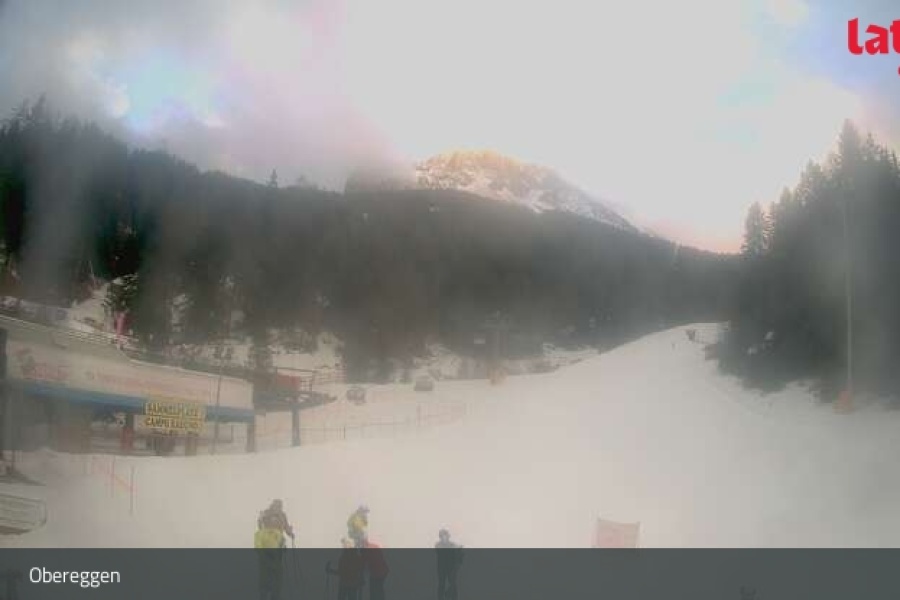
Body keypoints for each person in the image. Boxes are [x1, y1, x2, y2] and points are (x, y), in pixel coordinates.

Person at [255, 512, 287, 600]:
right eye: (270, 521)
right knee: (264, 587)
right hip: (266, 564)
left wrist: (283, 546)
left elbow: (282, 545)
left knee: (276, 588)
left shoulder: (277, 533)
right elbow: (258, 547)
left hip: (276, 564)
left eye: (274, 522)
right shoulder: (260, 534)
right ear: (266, 522)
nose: (273, 523)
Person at [435, 529, 463, 600]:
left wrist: (459, 561)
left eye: (445, 536)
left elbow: (460, 551)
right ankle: (441, 597)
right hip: (441, 568)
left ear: (447, 536)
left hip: (451, 568)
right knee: (441, 584)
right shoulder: (438, 545)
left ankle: (453, 597)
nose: (443, 537)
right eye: (442, 536)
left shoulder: (451, 544)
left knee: (453, 584)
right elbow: (439, 550)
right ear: (440, 537)